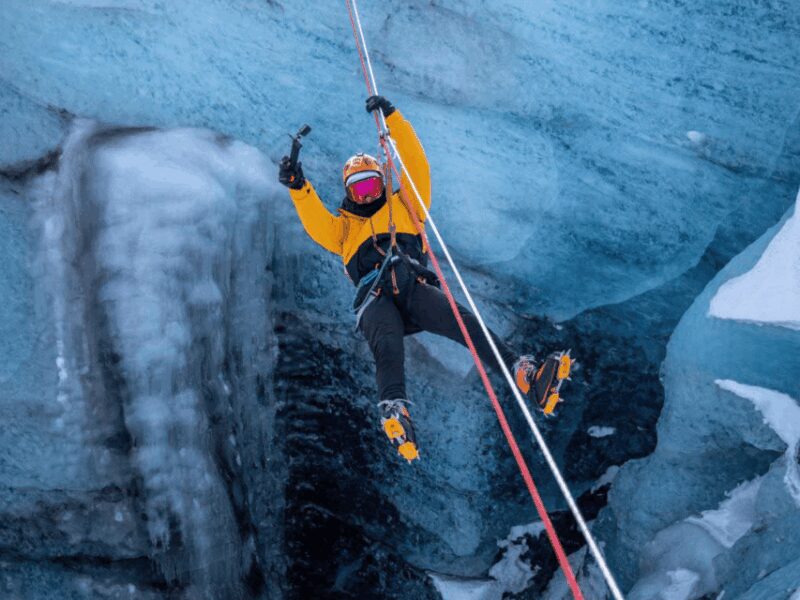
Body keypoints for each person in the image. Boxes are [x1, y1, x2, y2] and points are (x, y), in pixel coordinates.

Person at [278, 95, 570, 463]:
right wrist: (299, 188)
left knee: (463, 322)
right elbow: (316, 222)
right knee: (386, 345)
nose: (366, 195)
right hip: (374, 298)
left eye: (371, 186)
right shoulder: (343, 230)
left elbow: (416, 163)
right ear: (348, 193)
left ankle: (523, 373)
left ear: (383, 183)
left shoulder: (406, 206)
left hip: (413, 286)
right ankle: (395, 409)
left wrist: (394, 119)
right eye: (358, 190)